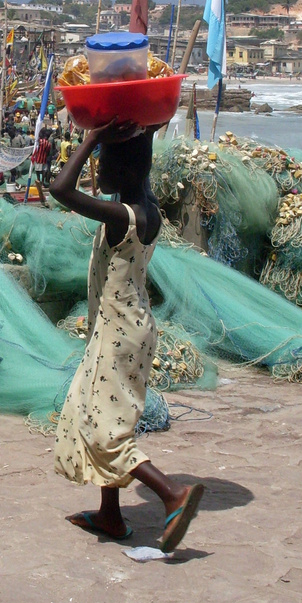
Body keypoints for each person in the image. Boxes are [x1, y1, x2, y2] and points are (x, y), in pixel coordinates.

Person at [50, 119, 204, 552]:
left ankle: (172, 492)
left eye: (106, 166)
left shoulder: (122, 216)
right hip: (130, 327)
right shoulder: (149, 207)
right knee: (102, 409)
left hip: (117, 333)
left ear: (125, 174)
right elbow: (138, 166)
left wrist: (92, 138)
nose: (101, 173)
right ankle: (111, 515)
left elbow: (61, 190)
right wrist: (145, 128)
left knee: (104, 429)